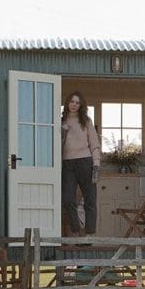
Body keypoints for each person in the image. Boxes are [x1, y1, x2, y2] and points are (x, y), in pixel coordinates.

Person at [61, 91, 100, 238]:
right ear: (67, 103)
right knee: (68, 199)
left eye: (77, 102)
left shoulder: (86, 121)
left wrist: (96, 165)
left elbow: (94, 144)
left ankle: (89, 234)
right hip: (68, 164)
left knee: (90, 200)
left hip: (86, 162)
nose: (74, 105)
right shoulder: (61, 121)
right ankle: (76, 231)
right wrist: (62, 131)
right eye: (72, 101)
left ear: (81, 105)